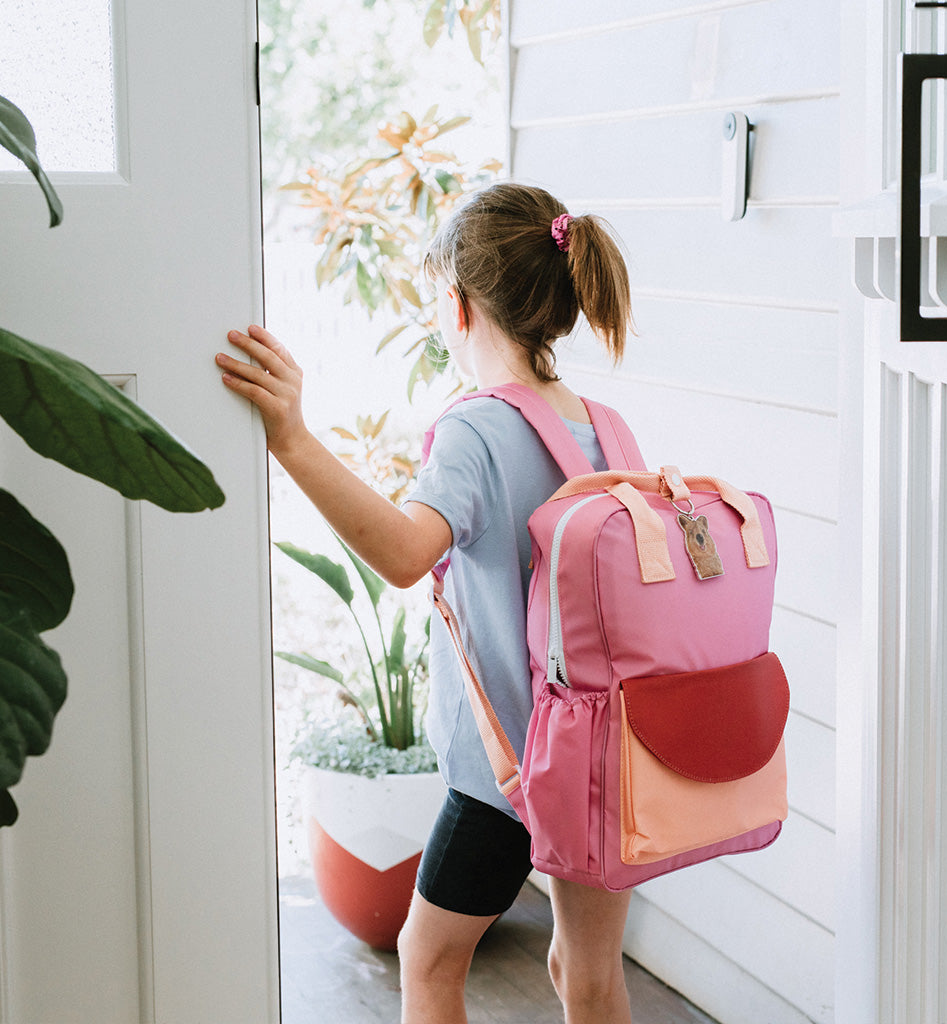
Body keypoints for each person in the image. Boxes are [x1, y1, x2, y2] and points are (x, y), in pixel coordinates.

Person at [216, 182, 636, 1024]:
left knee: (428, 960)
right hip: (602, 759)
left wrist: (293, 439)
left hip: (508, 775)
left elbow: (407, 554)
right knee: (586, 974)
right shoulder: (603, 425)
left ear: (456, 303)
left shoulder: (477, 429)